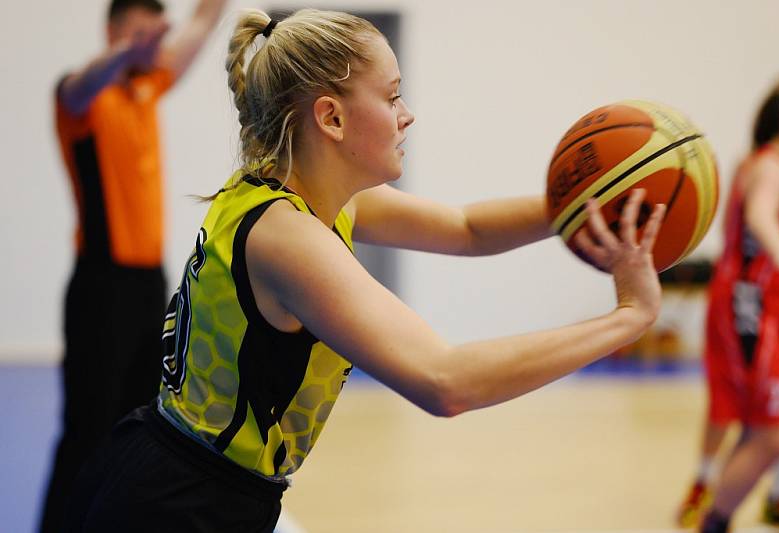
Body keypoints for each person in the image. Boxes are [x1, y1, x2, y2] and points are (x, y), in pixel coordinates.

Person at [64, 8, 666, 532]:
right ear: (331, 119)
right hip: (178, 505)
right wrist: (627, 319)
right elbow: (445, 380)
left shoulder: (307, 196)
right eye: (393, 95)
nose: (407, 115)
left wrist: (594, 198)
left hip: (187, 484)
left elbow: (467, 228)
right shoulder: (285, 238)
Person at [40, 1, 228, 532]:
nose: (152, 47)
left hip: (150, 287)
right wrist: (128, 51)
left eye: (154, 36)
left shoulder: (148, 88)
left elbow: (201, 22)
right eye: (138, 35)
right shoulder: (83, 100)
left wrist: (196, 21)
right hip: (100, 287)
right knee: (86, 427)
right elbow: (77, 83)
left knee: (139, 426)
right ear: (113, 34)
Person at [699, 78, 779, 533]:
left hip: (758, 303)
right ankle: (714, 518)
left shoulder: (761, 163)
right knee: (772, 431)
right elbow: (760, 215)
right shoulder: (774, 168)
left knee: (769, 424)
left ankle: (752, 501)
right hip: (752, 304)